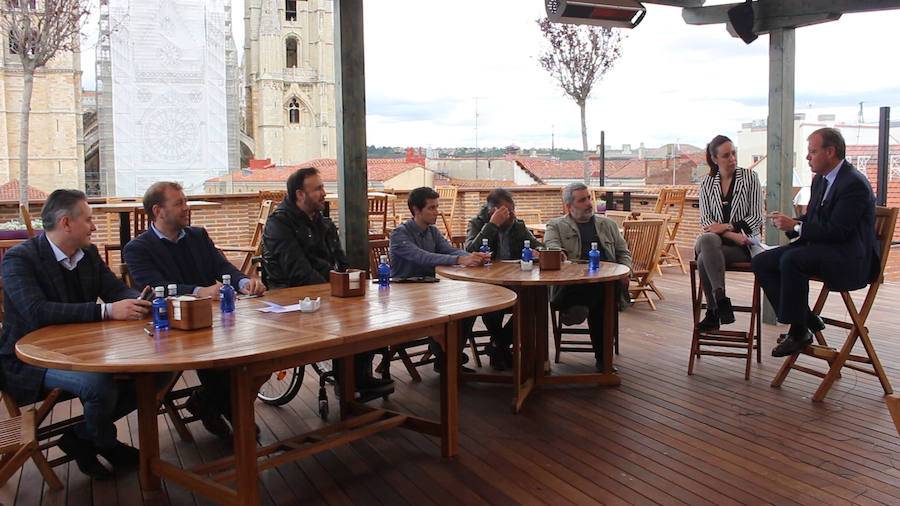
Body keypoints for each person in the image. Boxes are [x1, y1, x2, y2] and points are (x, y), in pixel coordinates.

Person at [0, 190, 165, 479]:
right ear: (66, 223)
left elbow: (115, 290)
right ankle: (105, 442)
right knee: (99, 385)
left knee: (159, 372)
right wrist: (107, 312)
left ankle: (80, 437)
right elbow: (35, 312)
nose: (94, 226)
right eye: (88, 219)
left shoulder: (86, 253)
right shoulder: (19, 259)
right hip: (31, 360)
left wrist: (138, 300)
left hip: (87, 350)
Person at [123, 182, 266, 439]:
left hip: (215, 322)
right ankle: (236, 417)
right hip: (171, 330)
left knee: (260, 355)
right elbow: (157, 288)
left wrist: (245, 282)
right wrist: (199, 291)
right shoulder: (138, 249)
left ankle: (205, 402)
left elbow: (223, 268)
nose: (186, 208)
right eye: (178, 203)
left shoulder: (198, 236)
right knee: (222, 361)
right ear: (158, 211)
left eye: (185, 201)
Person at [261, 167, 393, 393]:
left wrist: (350, 282)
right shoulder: (279, 223)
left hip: (326, 292)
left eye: (323, 187)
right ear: (300, 194)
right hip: (290, 297)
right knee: (349, 316)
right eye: (318, 189)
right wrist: (336, 291)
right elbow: (298, 271)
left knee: (369, 313)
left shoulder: (324, 223)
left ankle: (356, 376)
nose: (324, 193)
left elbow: (341, 262)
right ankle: (350, 381)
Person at [752, 128, 879, 357]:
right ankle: (805, 319)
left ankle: (799, 327)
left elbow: (837, 232)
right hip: (822, 249)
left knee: (792, 259)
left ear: (830, 152)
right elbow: (814, 221)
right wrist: (789, 223)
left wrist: (795, 226)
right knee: (762, 262)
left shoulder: (854, 184)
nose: (808, 157)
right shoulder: (820, 180)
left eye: (812, 151)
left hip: (847, 257)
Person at [390, 186, 490, 370]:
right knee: (453, 309)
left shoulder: (432, 231)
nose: (437, 212)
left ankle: (447, 357)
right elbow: (422, 257)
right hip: (404, 294)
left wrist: (473, 257)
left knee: (470, 307)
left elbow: (449, 250)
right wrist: (461, 259)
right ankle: (446, 357)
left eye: (437, 207)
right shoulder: (399, 234)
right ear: (416, 209)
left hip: (430, 289)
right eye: (432, 208)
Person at [543, 182, 632, 371]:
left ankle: (578, 310)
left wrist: (626, 270)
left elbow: (623, 252)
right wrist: (558, 254)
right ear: (569, 206)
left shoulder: (608, 224)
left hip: (605, 282)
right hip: (572, 285)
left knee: (602, 291)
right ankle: (603, 360)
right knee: (602, 297)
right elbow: (551, 246)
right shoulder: (556, 225)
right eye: (582, 200)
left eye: (589, 198)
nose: (588, 203)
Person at [463, 188, 542, 370]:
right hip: (486, 283)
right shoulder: (477, 224)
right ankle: (501, 348)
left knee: (533, 302)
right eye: (507, 212)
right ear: (493, 212)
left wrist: (540, 251)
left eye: (513, 210)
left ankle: (498, 345)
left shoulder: (517, 225)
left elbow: (537, 244)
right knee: (493, 307)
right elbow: (470, 251)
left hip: (515, 281)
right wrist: (492, 225)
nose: (513, 215)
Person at [694, 135, 765, 331]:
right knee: (708, 239)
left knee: (703, 259)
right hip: (715, 242)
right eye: (726, 155)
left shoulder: (750, 178)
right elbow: (706, 221)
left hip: (743, 246)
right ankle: (721, 300)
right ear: (715, 159)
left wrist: (727, 228)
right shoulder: (707, 183)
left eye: (734, 153)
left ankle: (713, 311)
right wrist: (730, 234)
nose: (732, 158)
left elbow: (757, 218)